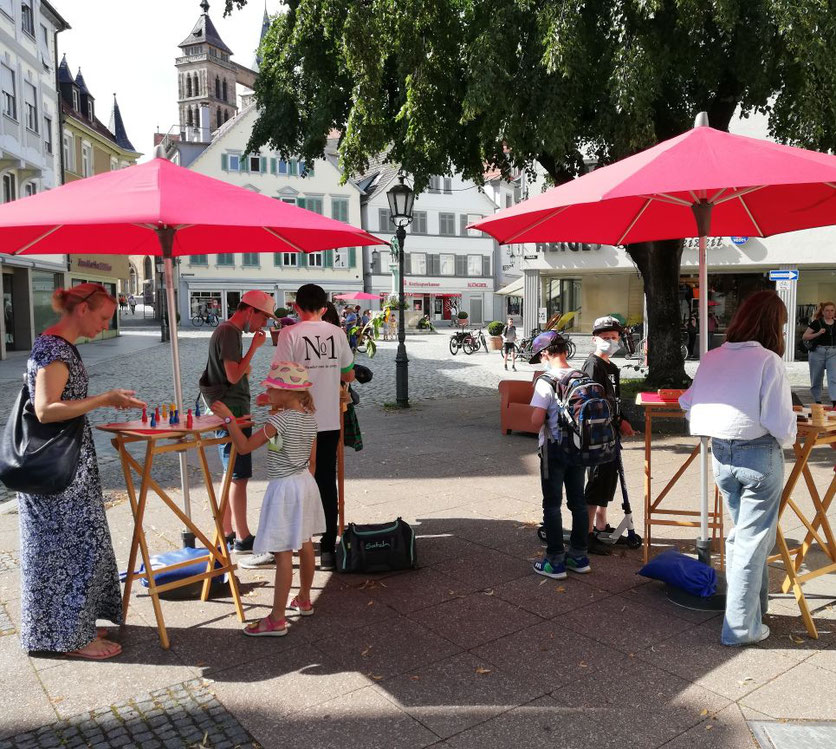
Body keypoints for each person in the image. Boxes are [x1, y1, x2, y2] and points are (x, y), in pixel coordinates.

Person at [18, 283, 145, 659]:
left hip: (63, 462)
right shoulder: (55, 350)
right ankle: (72, 638)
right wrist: (104, 399)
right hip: (58, 470)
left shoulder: (59, 346)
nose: (105, 325)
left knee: (69, 548)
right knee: (68, 550)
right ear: (83, 310)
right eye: (104, 317)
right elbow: (45, 409)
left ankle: (71, 626)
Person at [679, 290, 796, 646]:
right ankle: (741, 627)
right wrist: (790, 431)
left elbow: (688, 403)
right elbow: (779, 423)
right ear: (773, 326)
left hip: (721, 454)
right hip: (759, 454)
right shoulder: (768, 360)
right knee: (751, 540)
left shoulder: (713, 356)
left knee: (743, 537)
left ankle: (752, 613)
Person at [211, 362, 324, 636]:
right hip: (305, 484)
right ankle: (305, 598)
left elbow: (244, 446)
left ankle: (276, 618)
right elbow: (312, 463)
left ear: (286, 391)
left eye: (272, 387)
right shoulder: (310, 418)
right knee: (306, 543)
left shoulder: (278, 421)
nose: (268, 391)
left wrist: (228, 419)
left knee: (283, 552)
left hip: (284, 488)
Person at [272, 284, 355, 571]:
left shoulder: (289, 334)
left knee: (292, 478)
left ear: (296, 306)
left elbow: (279, 376)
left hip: (296, 417)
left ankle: (296, 539)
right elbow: (349, 373)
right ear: (323, 306)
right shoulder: (337, 333)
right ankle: (328, 544)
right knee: (324, 479)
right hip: (329, 417)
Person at [199, 290, 275, 554]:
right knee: (239, 477)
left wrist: (246, 364)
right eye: (263, 317)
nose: (263, 324)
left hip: (231, 410)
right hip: (233, 413)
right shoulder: (230, 332)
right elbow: (232, 376)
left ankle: (227, 530)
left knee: (231, 473)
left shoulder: (226, 332)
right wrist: (253, 349)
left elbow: (233, 371)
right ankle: (243, 538)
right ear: (250, 311)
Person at [529, 331, 591, 579]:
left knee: (552, 505)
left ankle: (555, 561)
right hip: (579, 449)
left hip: (554, 450)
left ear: (545, 353)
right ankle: (579, 556)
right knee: (578, 503)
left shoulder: (545, 381)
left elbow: (535, 422)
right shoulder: (581, 376)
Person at [582, 316, 635, 555]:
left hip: (612, 432)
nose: (610, 342)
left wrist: (622, 419)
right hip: (598, 435)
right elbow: (593, 401)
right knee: (596, 481)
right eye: (605, 338)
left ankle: (601, 524)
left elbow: (615, 400)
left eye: (614, 338)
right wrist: (612, 422)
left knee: (608, 480)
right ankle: (587, 533)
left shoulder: (612, 367)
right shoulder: (592, 365)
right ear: (595, 339)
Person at [802, 301, 836, 405]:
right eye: (827, 310)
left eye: (832, 310)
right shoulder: (817, 323)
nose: (829, 313)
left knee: (833, 376)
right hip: (818, 352)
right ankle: (817, 400)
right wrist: (818, 333)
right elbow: (805, 336)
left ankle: (834, 401)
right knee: (816, 377)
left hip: (833, 352)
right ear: (823, 311)